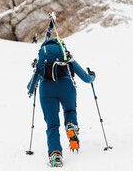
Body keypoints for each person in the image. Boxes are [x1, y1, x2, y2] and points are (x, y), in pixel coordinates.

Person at [29, 37, 96, 167]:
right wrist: (92, 75)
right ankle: (71, 125)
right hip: (66, 87)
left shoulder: (42, 60)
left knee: (52, 124)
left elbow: (30, 86)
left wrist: (35, 68)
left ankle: (55, 155)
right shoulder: (65, 55)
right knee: (70, 111)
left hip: (46, 91)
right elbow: (86, 78)